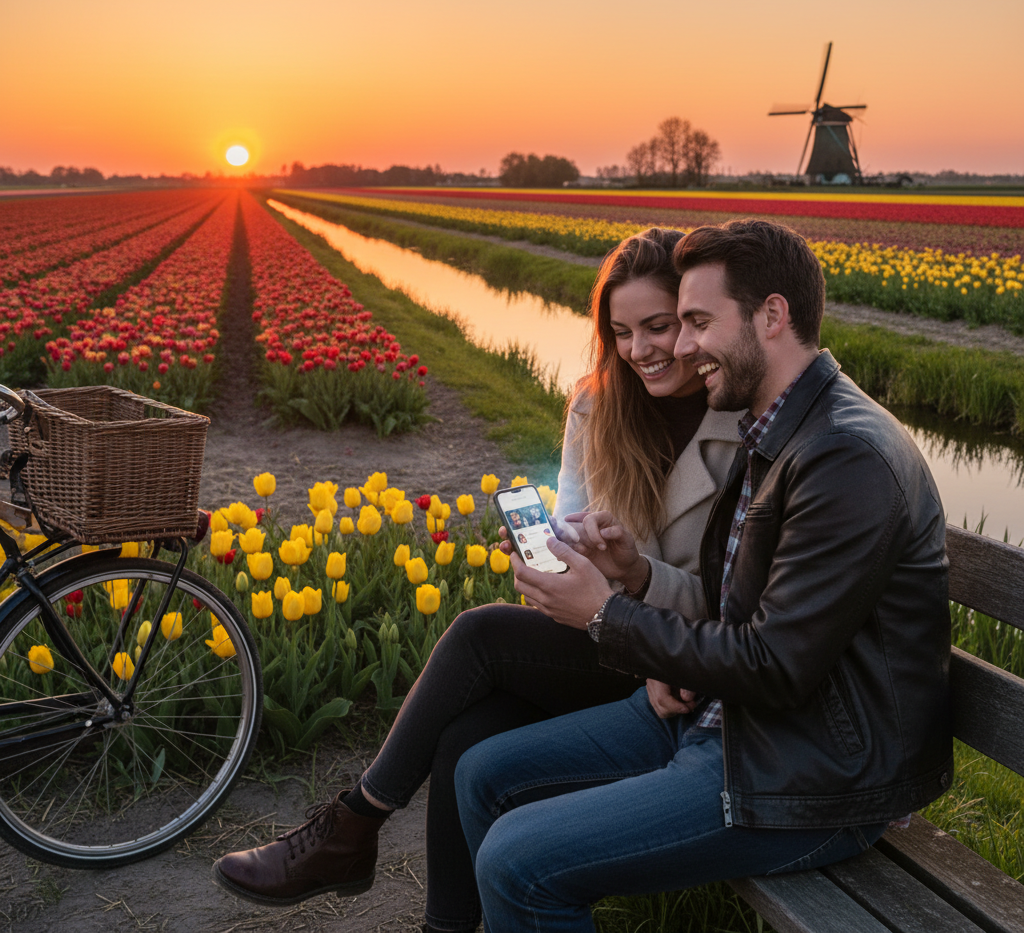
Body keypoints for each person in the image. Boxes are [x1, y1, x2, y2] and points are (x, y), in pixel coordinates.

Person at [213, 228, 742, 932]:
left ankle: (351, 827)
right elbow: (570, 527)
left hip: (681, 662)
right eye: (621, 333)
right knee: (466, 735)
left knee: (480, 635)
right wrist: (553, 553)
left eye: (659, 326)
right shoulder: (598, 404)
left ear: (696, 322)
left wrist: (638, 598)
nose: (640, 349)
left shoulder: (742, 427)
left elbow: (737, 601)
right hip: (606, 634)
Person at [454, 218, 953, 932]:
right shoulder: (776, 426)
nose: (683, 348)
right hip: (729, 720)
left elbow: (776, 666)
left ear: (771, 316)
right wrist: (633, 573)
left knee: (517, 860)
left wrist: (605, 614)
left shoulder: (843, 455)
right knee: (481, 773)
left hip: (812, 774)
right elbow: (740, 612)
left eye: (697, 323)